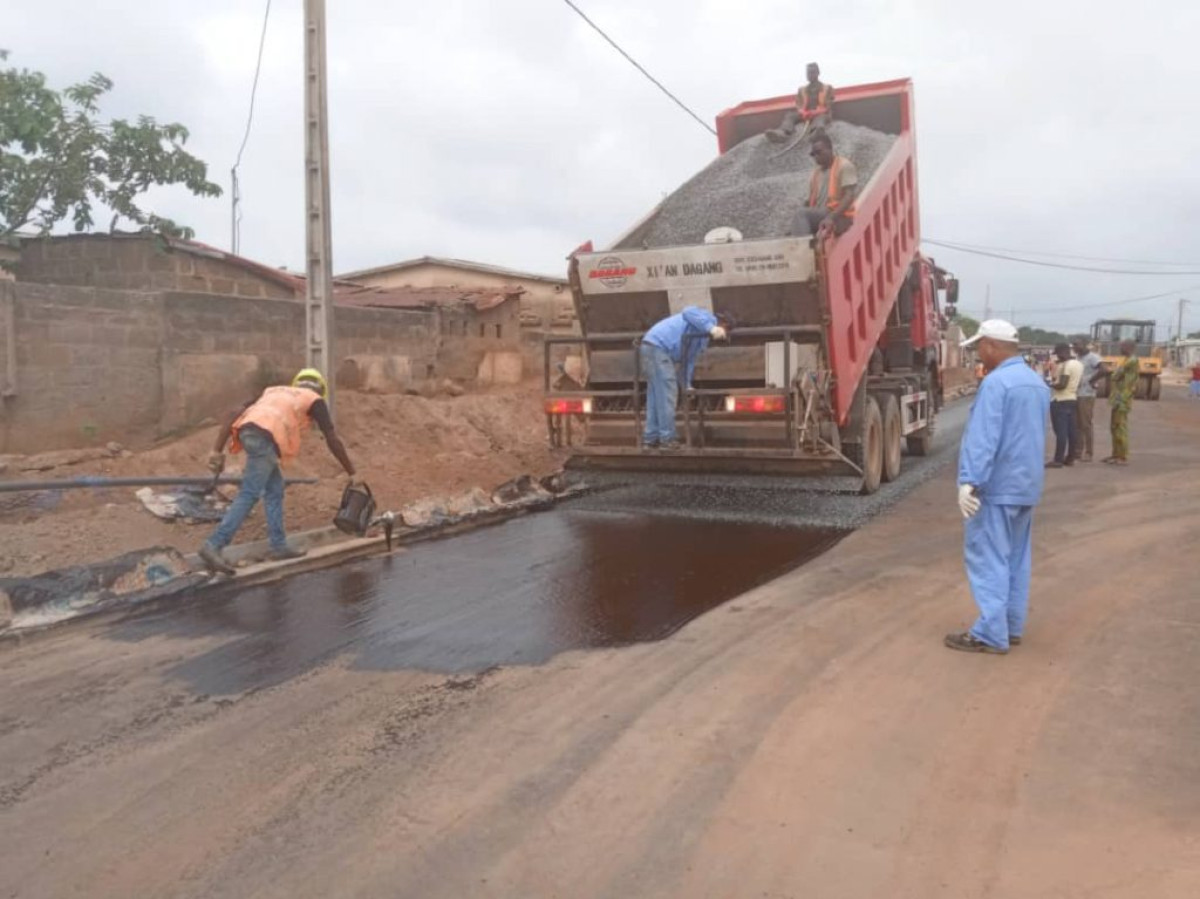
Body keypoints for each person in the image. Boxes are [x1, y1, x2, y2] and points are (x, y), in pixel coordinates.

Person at [947, 319, 1050, 654]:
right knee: (1017, 558)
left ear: (992, 345)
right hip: (1025, 485)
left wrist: (969, 482)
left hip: (995, 487)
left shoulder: (996, 384)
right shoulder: (1035, 382)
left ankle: (991, 633)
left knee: (988, 557)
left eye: (980, 346)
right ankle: (1010, 625)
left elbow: (984, 437)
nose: (979, 353)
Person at [199, 368, 357, 574]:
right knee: (249, 493)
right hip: (265, 439)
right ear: (320, 389)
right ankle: (213, 545)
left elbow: (233, 413)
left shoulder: (273, 391)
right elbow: (331, 439)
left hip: (249, 433)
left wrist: (216, 451)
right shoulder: (314, 400)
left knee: (275, 490)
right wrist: (351, 471)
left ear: (296, 383)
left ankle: (279, 546)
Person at [640, 307, 733, 450]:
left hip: (651, 347)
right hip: (658, 348)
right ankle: (667, 440)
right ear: (724, 325)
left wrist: (686, 385)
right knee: (667, 395)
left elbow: (687, 362)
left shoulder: (701, 338)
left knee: (655, 397)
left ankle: (650, 439)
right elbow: (687, 311)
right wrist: (711, 328)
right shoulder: (707, 319)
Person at [795, 131, 858, 238]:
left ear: (830, 149)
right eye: (813, 154)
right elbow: (812, 200)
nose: (816, 156)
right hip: (822, 214)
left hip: (839, 217)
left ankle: (804, 248)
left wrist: (831, 218)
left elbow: (849, 196)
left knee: (801, 214)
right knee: (798, 217)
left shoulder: (844, 166)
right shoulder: (816, 173)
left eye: (819, 152)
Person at [765, 62, 835, 143]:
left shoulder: (827, 88)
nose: (810, 75)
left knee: (821, 118)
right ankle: (783, 133)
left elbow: (828, 106)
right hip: (805, 114)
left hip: (820, 114)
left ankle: (816, 133)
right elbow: (799, 104)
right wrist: (803, 112)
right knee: (790, 116)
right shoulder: (802, 90)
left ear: (818, 73)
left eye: (812, 72)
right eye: (808, 73)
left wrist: (815, 112)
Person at [1096, 339, 1139, 465]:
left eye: (1121, 346)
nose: (1120, 349)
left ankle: (1122, 456)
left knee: (1120, 428)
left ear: (1128, 347)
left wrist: (1114, 373)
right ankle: (1115, 454)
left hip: (1123, 399)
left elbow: (1116, 375)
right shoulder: (1126, 360)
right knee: (1114, 427)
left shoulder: (1131, 361)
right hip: (1118, 398)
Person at [1046, 343, 1083, 468]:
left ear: (1062, 352)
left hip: (1060, 400)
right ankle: (1070, 458)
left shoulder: (1067, 365)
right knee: (1072, 431)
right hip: (1072, 398)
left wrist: (1050, 384)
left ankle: (1058, 459)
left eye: (1058, 354)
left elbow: (1062, 384)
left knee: (1060, 431)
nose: (1057, 357)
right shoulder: (1078, 364)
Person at [1072, 339, 1102, 461]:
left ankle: (1089, 453)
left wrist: (1091, 381)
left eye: (1077, 345)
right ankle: (1078, 451)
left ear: (1084, 345)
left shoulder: (1093, 357)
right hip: (1077, 394)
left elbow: (1104, 369)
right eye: (1074, 345)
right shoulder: (1078, 358)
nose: (1075, 347)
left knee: (1086, 424)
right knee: (1077, 424)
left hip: (1087, 394)